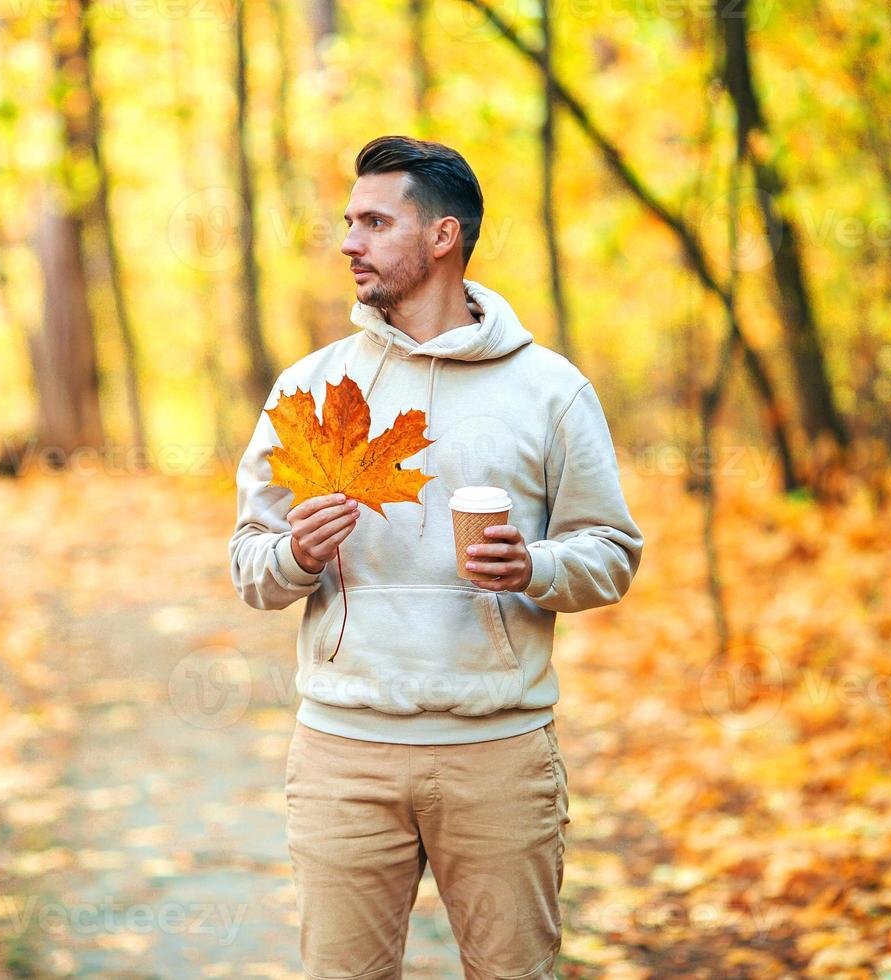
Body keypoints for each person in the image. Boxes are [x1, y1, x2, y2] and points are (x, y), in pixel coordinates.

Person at [228, 134, 644, 979]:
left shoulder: (550, 391)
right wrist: (294, 557)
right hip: (342, 754)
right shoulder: (310, 390)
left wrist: (535, 568)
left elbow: (612, 552)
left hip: (500, 753)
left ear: (444, 236)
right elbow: (249, 563)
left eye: (375, 222)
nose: (350, 242)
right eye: (349, 222)